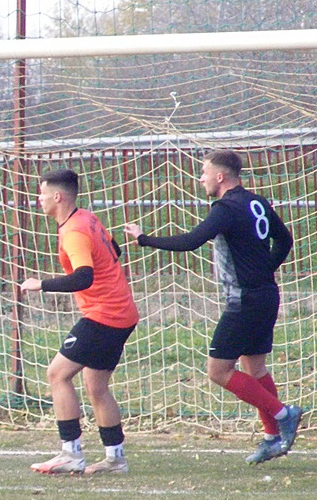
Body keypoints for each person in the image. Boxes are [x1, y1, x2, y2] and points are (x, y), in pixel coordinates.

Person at [124, 149, 300, 464]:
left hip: (244, 300)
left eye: (204, 173)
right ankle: (272, 437)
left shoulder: (226, 207)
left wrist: (145, 239)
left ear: (220, 176)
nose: (200, 178)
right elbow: (285, 240)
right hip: (266, 295)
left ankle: (283, 414)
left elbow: (192, 240)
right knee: (255, 369)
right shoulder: (256, 201)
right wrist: (263, 271)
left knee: (219, 371)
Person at [20, 169, 139, 475]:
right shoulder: (87, 217)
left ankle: (70, 454)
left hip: (105, 315)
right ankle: (115, 459)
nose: (39, 199)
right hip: (122, 313)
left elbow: (84, 276)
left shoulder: (74, 230)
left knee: (57, 375)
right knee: (95, 385)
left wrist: (41, 284)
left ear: (57, 197)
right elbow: (116, 250)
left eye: (42, 193)